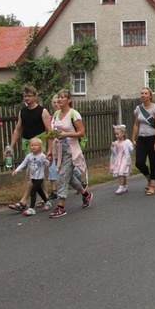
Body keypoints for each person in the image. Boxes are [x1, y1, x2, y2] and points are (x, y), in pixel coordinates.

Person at [6, 86, 53, 212]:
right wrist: (11, 146)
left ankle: (24, 201)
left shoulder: (42, 111)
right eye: (25, 96)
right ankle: (45, 198)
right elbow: (17, 129)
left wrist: (49, 149)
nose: (27, 98)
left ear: (35, 96)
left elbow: (49, 131)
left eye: (29, 95)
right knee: (38, 174)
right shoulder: (23, 112)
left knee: (31, 172)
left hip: (39, 144)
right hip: (28, 144)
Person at [49, 89, 92, 218]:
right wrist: (50, 151)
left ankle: (60, 207)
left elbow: (81, 132)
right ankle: (86, 194)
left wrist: (67, 134)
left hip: (70, 149)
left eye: (63, 97)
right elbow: (52, 132)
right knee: (69, 176)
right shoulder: (56, 113)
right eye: (59, 97)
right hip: (58, 149)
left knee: (62, 176)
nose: (60, 100)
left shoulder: (74, 114)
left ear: (69, 100)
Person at [132, 87, 155, 195]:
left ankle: (152, 185)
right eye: (142, 93)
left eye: (146, 93)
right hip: (142, 138)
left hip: (153, 137)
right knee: (139, 162)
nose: (143, 95)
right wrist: (133, 138)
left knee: (154, 162)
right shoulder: (138, 108)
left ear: (150, 96)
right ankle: (148, 178)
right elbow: (136, 124)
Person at [11, 138, 50, 215]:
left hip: (39, 178)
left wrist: (49, 160)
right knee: (40, 192)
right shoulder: (29, 156)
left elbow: (48, 164)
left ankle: (31, 208)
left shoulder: (42, 156)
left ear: (40, 147)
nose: (34, 147)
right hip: (33, 178)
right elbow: (24, 163)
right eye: (32, 145)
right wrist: (16, 170)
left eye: (36, 145)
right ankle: (47, 202)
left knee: (33, 191)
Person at [111, 124, 134, 195]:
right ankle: (124, 186)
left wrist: (133, 146)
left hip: (125, 159)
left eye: (118, 134)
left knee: (121, 172)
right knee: (121, 173)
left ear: (123, 134)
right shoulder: (116, 142)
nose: (116, 135)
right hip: (119, 159)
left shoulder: (127, 142)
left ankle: (121, 187)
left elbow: (131, 149)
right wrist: (112, 147)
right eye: (116, 134)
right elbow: (114, 152)